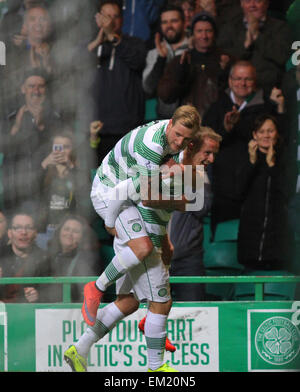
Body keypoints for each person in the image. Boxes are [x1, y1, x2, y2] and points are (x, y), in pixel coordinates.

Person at [63, 104, 202, 372]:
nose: (180, 142)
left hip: (127, 200)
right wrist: (112, 222)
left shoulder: (174, 141)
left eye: (186, 139)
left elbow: (154, 199)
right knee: (160, 297)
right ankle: (156, 367)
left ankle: (78, 349)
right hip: (111, 195)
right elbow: (149, 200)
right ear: (171, 123)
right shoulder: (151, 147)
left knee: (127, 302)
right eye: (178, 136)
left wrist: (166, 235)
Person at [202, 60, 286, 237]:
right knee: (221, 237)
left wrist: (279, 109)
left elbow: (276, 139)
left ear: (254, 81)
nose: (242, 83)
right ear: (230, 81)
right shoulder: (217, 107)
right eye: (238, 78)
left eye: (247, 79)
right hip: (223, 185)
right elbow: (205, 142)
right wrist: (226, 129)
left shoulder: (266, 107)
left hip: (255, 184)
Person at [84, 0, 147, 166]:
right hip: (96, 129)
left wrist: (112, 37)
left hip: (128, 130)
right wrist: (96, 42)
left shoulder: (136, 43)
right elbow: (74, 68)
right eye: (107, 17)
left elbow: (137, 61)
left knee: (127, 186)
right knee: (99, 184)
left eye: (115, 17)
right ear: (97, 19)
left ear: (122, 19)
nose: (111, 21)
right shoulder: (89, 45)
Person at [169, 126, 221, 301]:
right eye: (207, 153)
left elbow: (202, 207)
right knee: (148, 315)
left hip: (188, 260)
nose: (211, 159)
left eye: (214, 154)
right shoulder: (165, 165)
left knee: (196, 312)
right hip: (155, 258)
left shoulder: (201, 175)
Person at [236, 114, 293, 271]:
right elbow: (237, 192)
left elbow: (287, 193)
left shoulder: (286, 159)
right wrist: (252, 163)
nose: (266, 136)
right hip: (250, 242)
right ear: (254, 135)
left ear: (277, 134)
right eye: (261, 131)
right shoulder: (245, 158)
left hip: (277, 242)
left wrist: (272, 165)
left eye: (270, 131)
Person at [2, 69, 61, 214]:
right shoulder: (10, 117)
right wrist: (17, 124)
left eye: (40, 86)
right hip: (15, 184)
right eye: (31, 86)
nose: (36, 90)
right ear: (23, 89)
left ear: (46, 90)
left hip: (44, 184)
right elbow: (4, 148)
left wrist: (41, 125)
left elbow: (60, 145)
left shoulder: (55, 117)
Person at [157, 11, 232, 117]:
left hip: (218, 122)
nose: (204, 36)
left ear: (215, 33)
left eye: (208, 31)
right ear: (193, 34)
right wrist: (180, 72)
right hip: (189, 122)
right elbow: (165, 96)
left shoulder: (226, 59)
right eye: (199, 31)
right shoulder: (180, 60)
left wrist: (224, 72)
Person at [216, 0, 293, 96]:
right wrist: (245, 46)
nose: (252, 5)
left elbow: (283, 57)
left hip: (270, 92)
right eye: (248, 1)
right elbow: (223, 61)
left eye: (257, 1)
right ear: (241, 3)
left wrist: (257, 36)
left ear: (266, 4)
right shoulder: (229, 28)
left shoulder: (280, 28)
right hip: (236, 91)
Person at [142, 3, 189, 119]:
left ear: (184, 23)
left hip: (192, 119)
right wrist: (161, 59)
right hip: (163, 119)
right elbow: (148, 89)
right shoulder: (154, 53)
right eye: (164, 22)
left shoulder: (194, 49)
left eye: (174, 21)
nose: (169, 26)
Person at [47, 214, 103, 303]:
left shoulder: (87, 259)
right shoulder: (49, 256)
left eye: (76, 231)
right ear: (59, 232)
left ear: (83, 237)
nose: (69, 234)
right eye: (66, 229)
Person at [0, 211, 50, 303]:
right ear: (9, 233)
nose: (23, 232)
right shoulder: (1, 255)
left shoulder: (46, 259)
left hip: (30, 314)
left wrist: (38, 297)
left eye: (29, 228)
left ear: (35, 233)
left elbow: (54, 295)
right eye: (18, 228)